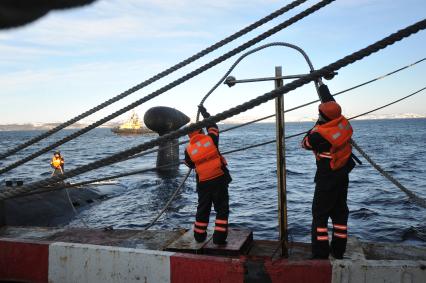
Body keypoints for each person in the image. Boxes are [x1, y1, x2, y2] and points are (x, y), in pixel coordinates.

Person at [301, 84, 355, 259]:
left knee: (320, 216)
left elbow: (304, 143)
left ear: (323, 117)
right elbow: (330, 102)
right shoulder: (340, 120)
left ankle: (320, 253)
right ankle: (338, 251)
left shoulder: (320, 136)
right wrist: (321, 85)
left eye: (319, 115)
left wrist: (317, 125)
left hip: (327, 178)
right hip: (342, 174)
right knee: (340, 214)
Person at [184, 105, 232, 245]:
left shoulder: (188, 149)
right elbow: (213, 126)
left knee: (203, 208)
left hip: (203, 182)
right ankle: (219, 238)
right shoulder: (211, 138)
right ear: (201, 130)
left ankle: (199, 236)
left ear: (189, 135)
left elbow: (190, 164)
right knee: (222, 209)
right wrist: (205, 114)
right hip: (219, 178)